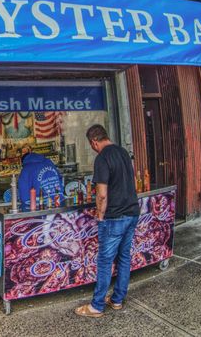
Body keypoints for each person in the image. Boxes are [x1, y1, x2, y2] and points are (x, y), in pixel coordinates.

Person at [75, 124, 140, 318]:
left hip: (114, 217)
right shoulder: (123, 152)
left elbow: (102, 194)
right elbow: (133, 182)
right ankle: (117, 300)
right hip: (132, 212)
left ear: (94, 142)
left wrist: (100, 216)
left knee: (104, 261)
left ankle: (97, 306)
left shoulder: (102, 158)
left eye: (91, 144)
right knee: (124, 258)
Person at [16, 144, 63, 210]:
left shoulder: (26, 169)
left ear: (23, 160)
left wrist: (25, 205)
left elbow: (23, 191)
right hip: (58, 200)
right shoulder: (49, 162)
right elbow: (60, 178)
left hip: (40, 204)